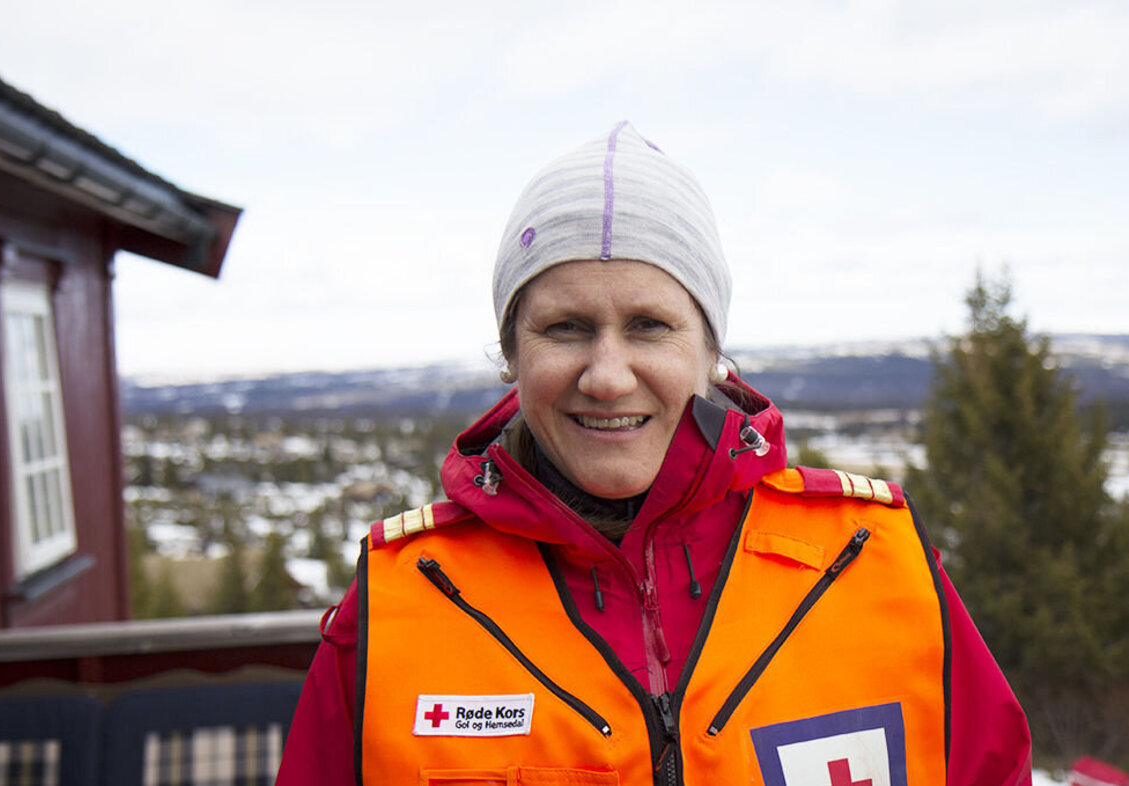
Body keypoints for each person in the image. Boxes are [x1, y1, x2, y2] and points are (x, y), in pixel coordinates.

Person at [276, 122, 1032, 785]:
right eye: (566, 327)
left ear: (711, 352)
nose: (607, 376)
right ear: (511, 355)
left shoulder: (875, 562)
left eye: (648, 326)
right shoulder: (405, 602)